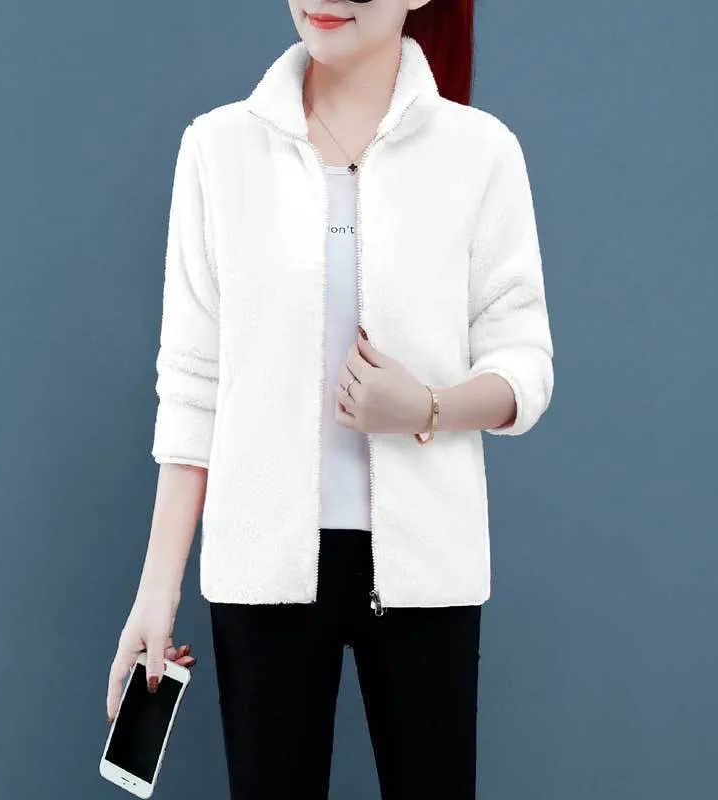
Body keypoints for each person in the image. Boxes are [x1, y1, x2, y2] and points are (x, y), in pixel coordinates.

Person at [106, 0, 554, 797]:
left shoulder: (480, 153)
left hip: (427, 569)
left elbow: (525, 363)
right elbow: (195, 386)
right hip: (262, 569)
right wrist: (156, 592)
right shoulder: (218, 149)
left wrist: (425, 407)